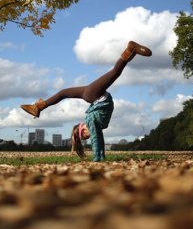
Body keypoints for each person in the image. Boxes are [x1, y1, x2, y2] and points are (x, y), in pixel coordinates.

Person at [20, 41, 152, 161]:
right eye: (86, 138)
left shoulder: (90, 121)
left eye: (85, 136)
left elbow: (96, 140)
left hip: (94, 96)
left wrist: (97, 158)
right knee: (64, 93)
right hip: (94, 98)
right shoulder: (94, 123)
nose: (89, 137)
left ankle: (130, 49)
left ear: (82, 129)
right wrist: (101, 156)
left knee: (114, 73)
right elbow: (99, 138)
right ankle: (38, 107)